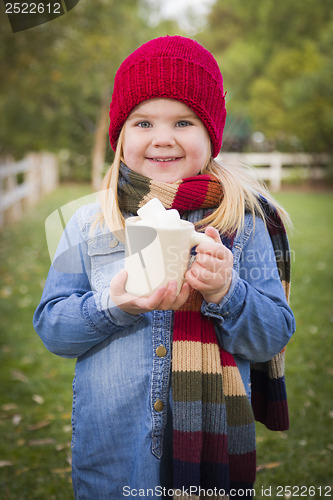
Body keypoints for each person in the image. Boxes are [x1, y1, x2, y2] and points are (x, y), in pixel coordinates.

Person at [33, 36, 296, 500]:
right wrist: (113, 304)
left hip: (209, 462)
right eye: (144, 121)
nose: (162, 137)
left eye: (183, 121)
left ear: (210, 133)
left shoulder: (243, 223)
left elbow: (272, 334)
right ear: (121, 134)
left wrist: (226, 291)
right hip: (113, 456)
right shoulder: (89, 223)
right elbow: (53, 327)